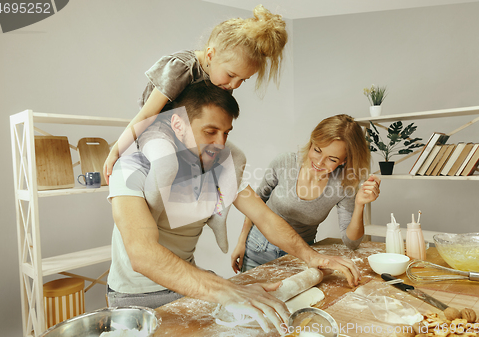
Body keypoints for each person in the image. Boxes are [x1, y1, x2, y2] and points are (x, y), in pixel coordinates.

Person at [107, 83, 361, 334]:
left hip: (189, 287)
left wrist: (312, 256)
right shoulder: (133, 167)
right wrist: (227, 289)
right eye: (210, 131)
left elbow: (264, 217)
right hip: (136, 298)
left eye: (226, 133)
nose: (220, 143)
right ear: (178, 125)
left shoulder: (219, 169)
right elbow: (142, 254)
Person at [103, 4, 288, 184]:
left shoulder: (223, 82)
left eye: (243, 80)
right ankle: (154, 211)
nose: (235, 85)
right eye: (231, 75)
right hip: (161, 127)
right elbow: (147, 114)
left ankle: (215, 216)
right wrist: (117, 151)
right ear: (210, 55)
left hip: (193, 133)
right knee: (166, 163)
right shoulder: (180, 69)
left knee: (237, 158)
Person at [231, 114, 382, 273]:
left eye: (331, 159)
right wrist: (241, 242)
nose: (319, 162)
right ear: (312, 143)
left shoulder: (344, 185)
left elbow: (352, 242)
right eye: (317, 150)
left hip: (301, 257)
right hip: (257, 249)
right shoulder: (285, 163)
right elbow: (256, 203)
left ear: (344, 160)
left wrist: (359, 204)